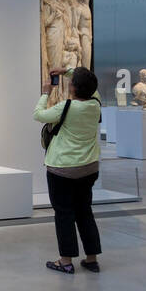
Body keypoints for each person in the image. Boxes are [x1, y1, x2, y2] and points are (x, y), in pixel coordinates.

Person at [35, 66, 103, 274]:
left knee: (64, 214)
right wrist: (68, 71)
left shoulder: (66, 107)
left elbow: (38, 115)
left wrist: (46, 92)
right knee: (84, 211)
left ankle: (65, 260)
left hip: (62, 169)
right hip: (89, 167)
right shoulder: (96, 105)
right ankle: (91, 259)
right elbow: (92, 86)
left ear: (73, 88)